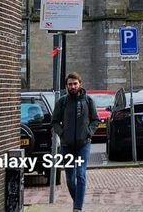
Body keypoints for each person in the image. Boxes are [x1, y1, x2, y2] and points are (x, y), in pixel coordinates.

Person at [51, 72, 99, 212]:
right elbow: (54, 121)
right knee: (70, 179)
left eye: (75, 84)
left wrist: (89, 132)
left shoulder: (88, 101)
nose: (72, 86)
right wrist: (62, 134)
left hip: (83, 144)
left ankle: (77, 207)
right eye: (70, 84)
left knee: (80, 174)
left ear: (80, 84)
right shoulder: (63, 102)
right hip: (67, 145)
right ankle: (77, 201)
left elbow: (96, 120)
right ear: (66, 86)